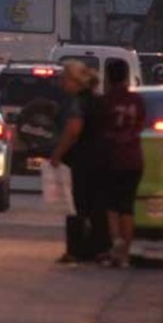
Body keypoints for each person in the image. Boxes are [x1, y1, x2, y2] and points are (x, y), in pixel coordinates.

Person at [49, 60, 110, 264]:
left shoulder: (77, 102)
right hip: (101, 159)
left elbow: (73, 130)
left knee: (75, 206)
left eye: (63, 79)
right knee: (97, 206)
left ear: (74, 81)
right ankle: (100, 249)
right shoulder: (99, 100)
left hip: (80, 160)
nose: (61, 83)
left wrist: (58, 153)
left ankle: (75, 250)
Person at [100, 59, 145, 267]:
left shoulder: (106, 101)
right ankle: (125, 254)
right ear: (127, 75)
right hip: (134, 159)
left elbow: (100, 130)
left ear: (108, 77)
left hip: (111, 157)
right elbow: (141, 124)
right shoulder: (136, 100)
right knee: (127, 206)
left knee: (111, 206)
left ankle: (115, 240)